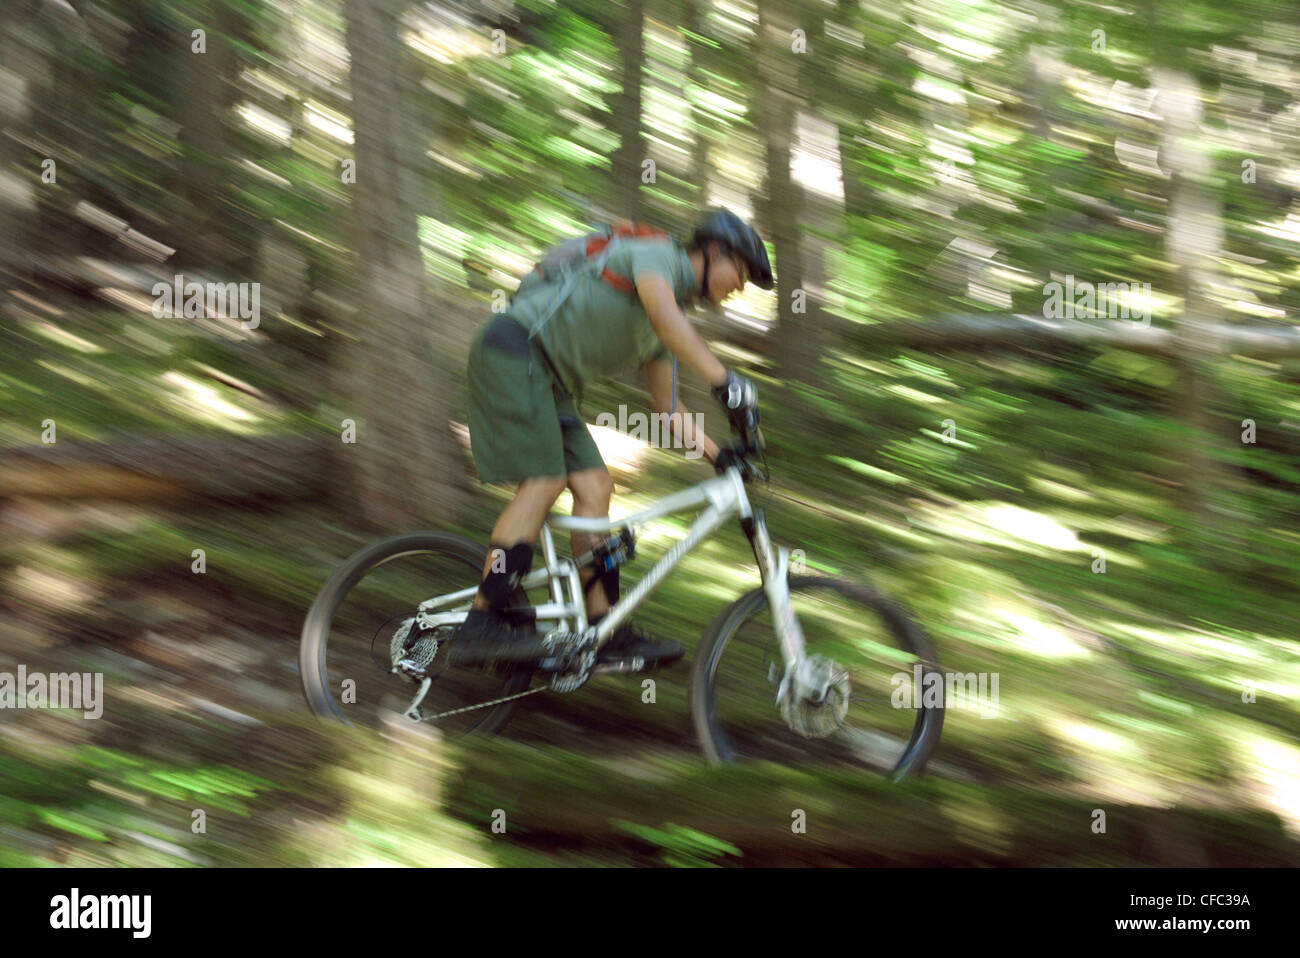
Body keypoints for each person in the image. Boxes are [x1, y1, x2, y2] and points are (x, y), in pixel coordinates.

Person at [449, 207, 772, 669]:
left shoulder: (669, 321)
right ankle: (481, 623)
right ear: (714, 252)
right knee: (546, 479)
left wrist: (720, 456)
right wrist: (725, 381)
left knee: (597, 488)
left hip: (549, 384)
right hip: (512, 351)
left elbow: (667, 409)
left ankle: (603, 631)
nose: (738, 288)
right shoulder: (657, 255)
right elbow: (663, 317)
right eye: (738, 274)